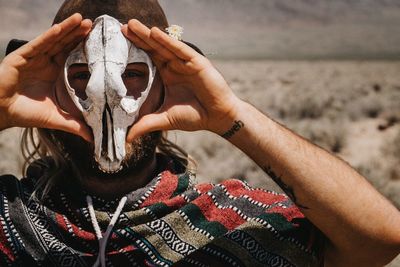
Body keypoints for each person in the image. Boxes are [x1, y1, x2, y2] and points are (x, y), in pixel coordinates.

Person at [0, 1, 399, 266]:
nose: (106, 97)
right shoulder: (11, 217)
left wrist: (230, 114)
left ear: (164, 85)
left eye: (135, 75)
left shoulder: (229, 222)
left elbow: (379, 240)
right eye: (81, 76)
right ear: (57, 87)